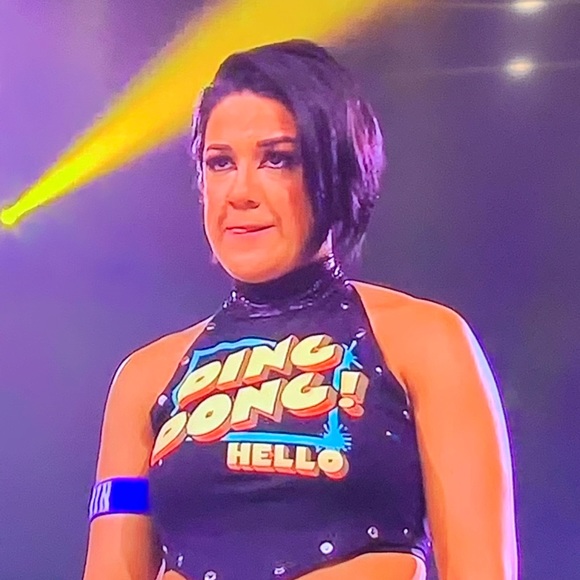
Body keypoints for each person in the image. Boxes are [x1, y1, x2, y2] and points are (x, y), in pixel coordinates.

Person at [83, 39, 518, 580]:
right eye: (220, 163)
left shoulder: (427, 342)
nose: (240, 192)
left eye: (277, 159)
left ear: (336, 171)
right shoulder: (144, 380)